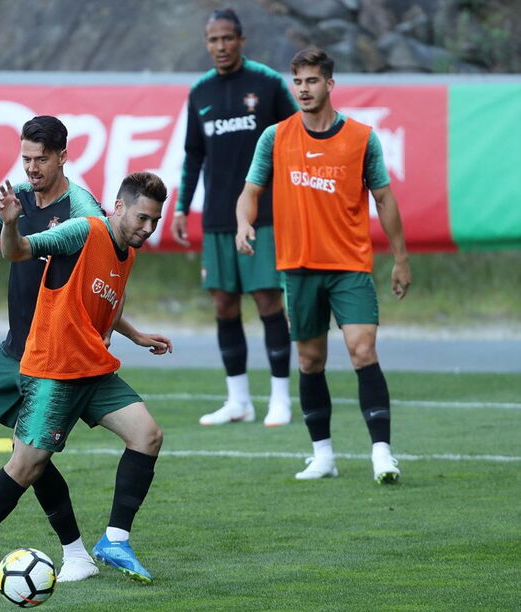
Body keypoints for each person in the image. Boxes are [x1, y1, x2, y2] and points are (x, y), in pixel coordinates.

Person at [0, 116, 171, 582]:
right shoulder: (71, 221)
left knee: (140, 437)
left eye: (41, 159)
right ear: (121, 208)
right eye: (27, 158)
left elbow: (97, 294)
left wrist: (131, 334)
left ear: (62, 157)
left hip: (76, 361)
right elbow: (6, 246)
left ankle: (104, 544)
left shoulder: (89, 217)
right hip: (37, 355)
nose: (32, 167)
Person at [235, 48, 411, 483]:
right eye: (297, 81)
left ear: (330, 84)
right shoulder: (275, 137)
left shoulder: (361, 138)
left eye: (312, 81)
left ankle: (382, 454)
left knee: (362, 350)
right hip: (298, 268)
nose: (303, 89)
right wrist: (243, 222)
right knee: (311, 360)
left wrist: (400, 259)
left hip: (349, 265)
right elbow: (251, 191)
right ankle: (323, 456)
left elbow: (384, 199)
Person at [173, 8, 298, 427]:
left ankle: (280, 398)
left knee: (267, 299)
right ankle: (238, 400)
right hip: (218, 217)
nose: (221, 46)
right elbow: (193, 154)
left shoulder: (267, 83)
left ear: (241, 40)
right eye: (214, 40)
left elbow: (295, 139)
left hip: (263, 215)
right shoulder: (200, 92)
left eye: (228, 38)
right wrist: (182, 206)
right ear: (206, 44)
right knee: (224, 304)